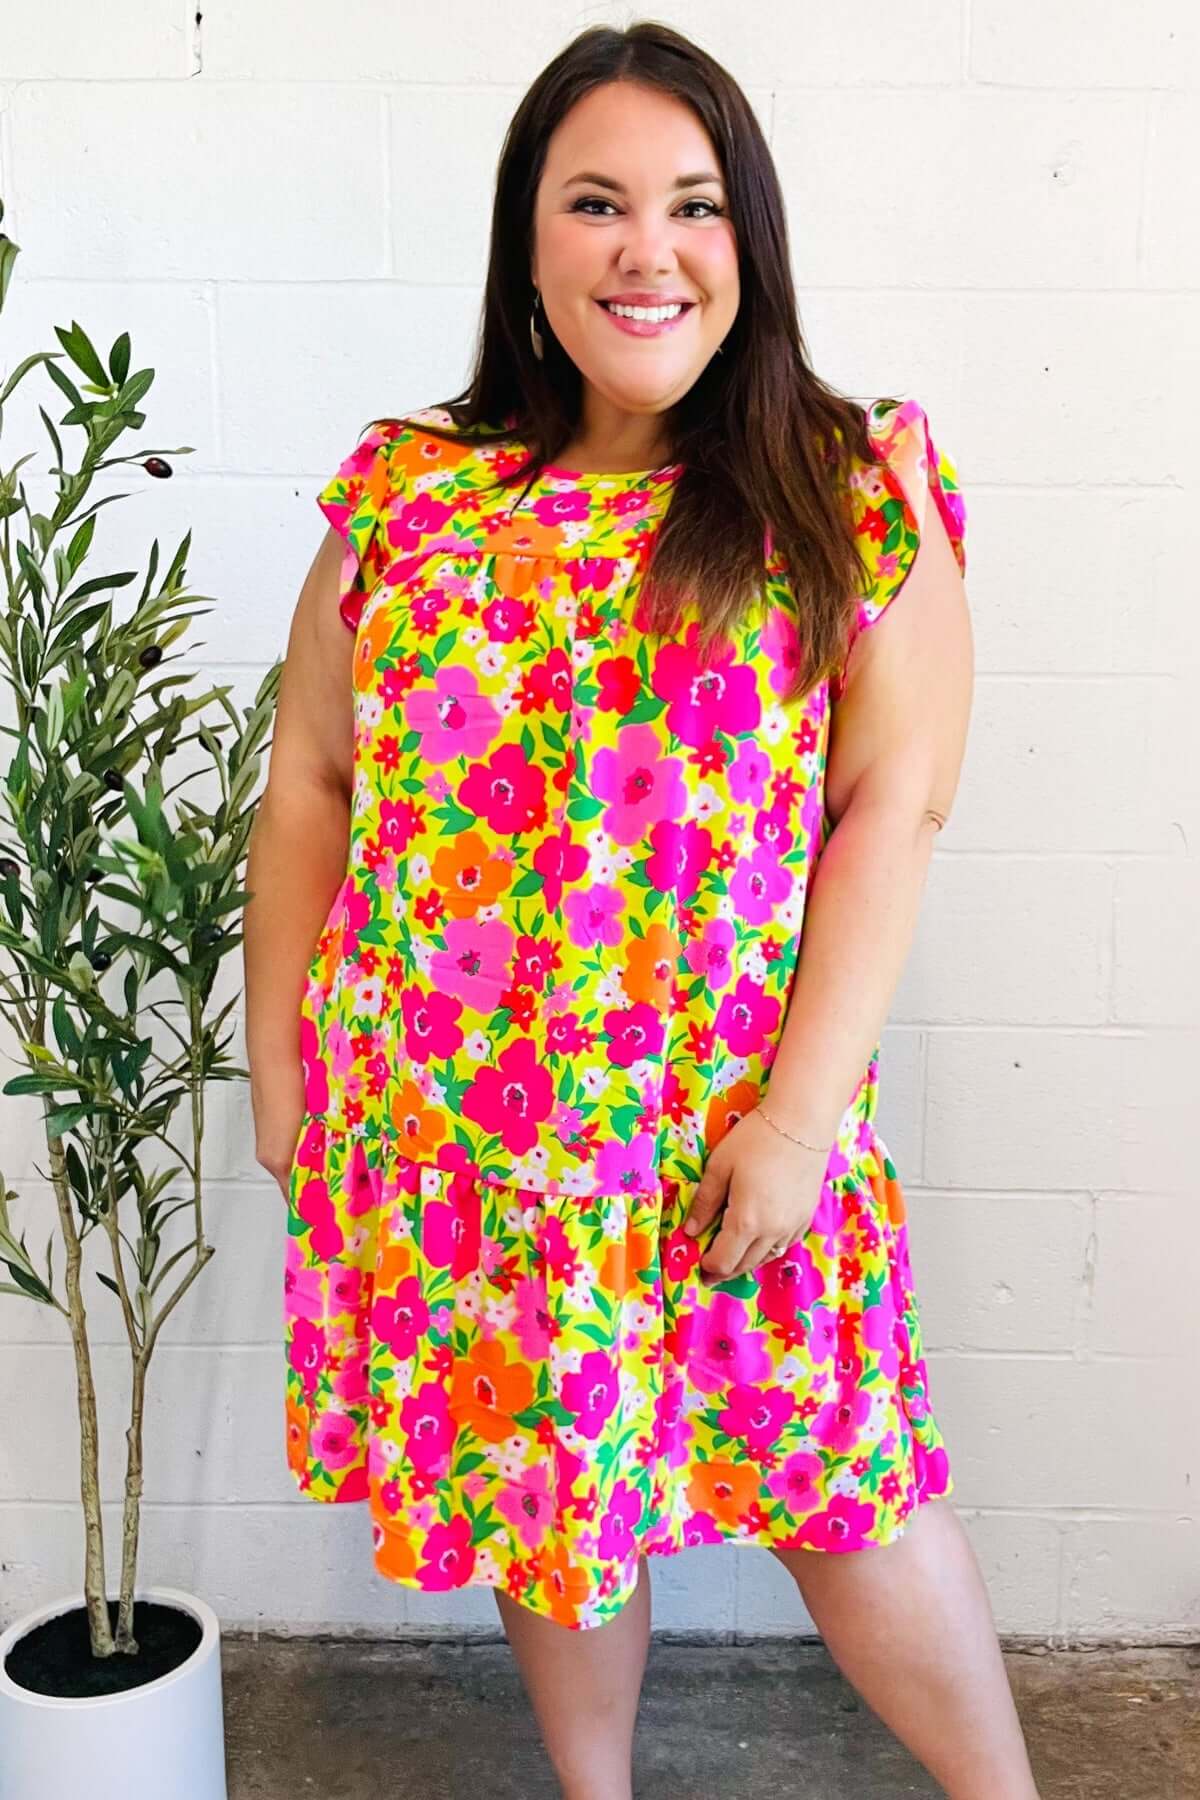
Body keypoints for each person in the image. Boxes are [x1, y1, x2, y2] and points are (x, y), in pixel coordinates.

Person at [244, 21, 1040, 1800]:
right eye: (595, 203)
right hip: (456, 1140)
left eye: (693, 204)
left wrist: (800, 1122)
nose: (645, 249)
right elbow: (309, 778)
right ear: (529, 244)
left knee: (849, 1494)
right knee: (553, 1508)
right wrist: (278, 1062)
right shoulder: (411, 490)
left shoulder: (849, 483)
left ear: (749, 238)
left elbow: (894, 811)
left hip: (725, 1132)